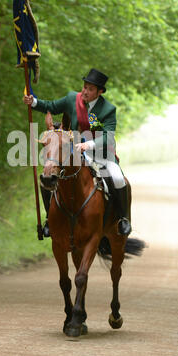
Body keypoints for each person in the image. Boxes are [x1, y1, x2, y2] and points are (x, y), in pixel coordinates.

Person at [23, 68, 131, 237]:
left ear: (99, 92)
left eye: (90, 89)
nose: (85, 91)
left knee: (118, 178)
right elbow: (51, 106)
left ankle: (122, 219)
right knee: (48, 173)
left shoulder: (108, 109)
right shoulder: (72, 98)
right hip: (73, 151)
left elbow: (108, 137)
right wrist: (34, 102)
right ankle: (49, 220)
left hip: (100, 152)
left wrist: (88, 145)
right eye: (85, 86)